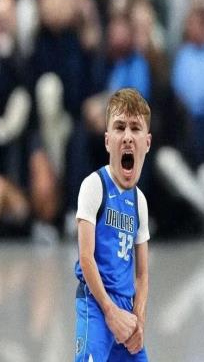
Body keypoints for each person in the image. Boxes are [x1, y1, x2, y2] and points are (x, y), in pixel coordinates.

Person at [74, 88, 151, 361]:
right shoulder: (94, 186)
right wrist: (109, 311)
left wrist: (138, 320)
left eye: (135, 128)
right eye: (119, 128)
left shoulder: (140, 201)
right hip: (96, 303)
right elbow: (86, 258)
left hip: (125, 308)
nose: (127, 136)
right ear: (108, 141)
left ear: (147, 143)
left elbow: (142, 275)